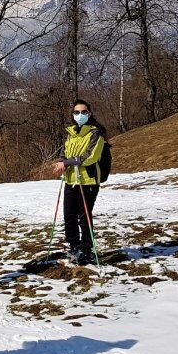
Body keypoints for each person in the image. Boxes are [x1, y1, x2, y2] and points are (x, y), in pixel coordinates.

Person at [51, 99, 107, 265]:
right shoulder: (71, 133)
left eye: (83, 112)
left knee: (84, 217)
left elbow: (90, 157)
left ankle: (87, 248)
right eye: (76, 112)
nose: (80, 115)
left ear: (89, 114)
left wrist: (67, 163)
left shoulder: (96, 134)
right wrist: (61, 162)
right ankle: (74, 246)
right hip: (70, 179)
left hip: (88, 181)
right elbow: (64, 151)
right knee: (69, 215)